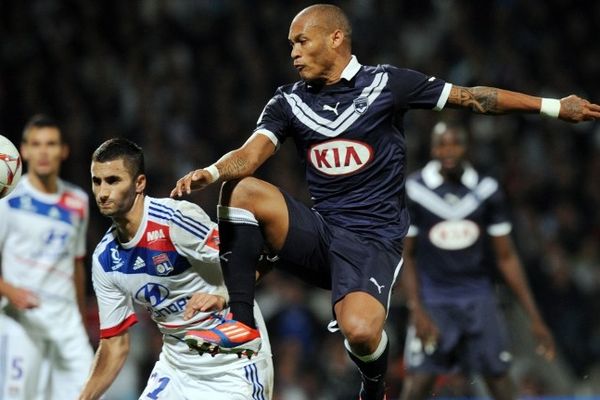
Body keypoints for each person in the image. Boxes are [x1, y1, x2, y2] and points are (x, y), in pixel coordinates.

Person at [170, 4, 600, 399]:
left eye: (302, 41)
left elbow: (473, 98)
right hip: (321, 231)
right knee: (240, 189)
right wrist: (209, 173)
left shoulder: (389, 85)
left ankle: (374, 382)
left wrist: (551, 106)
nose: (294, 53)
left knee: (359, 333)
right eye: (290, 45)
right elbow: (248, 155)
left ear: (336, 38)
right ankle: (241, 321)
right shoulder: (288, 101)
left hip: (374, 240)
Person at [80, 138, 273, 400]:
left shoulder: (175, 220)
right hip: (177, 370)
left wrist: (225, 296)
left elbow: (259, 255)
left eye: (113, 180)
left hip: (233, 366)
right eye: (97, 181)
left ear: (140, 183)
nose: (102, 192)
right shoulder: (105, 259)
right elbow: (114, 344)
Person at [399, 121, 556, 400]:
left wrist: (535, 317)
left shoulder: (487, 190)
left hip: (479, 297)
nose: (448, 150)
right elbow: (407, 255)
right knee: (418, 384)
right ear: (432, 148)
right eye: (441, 144)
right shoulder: (415, 190)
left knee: (499, 380)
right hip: (435, 300)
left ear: (467, 147)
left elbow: (506, 257)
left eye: (455, 143)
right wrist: (416, 310)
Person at [0, 114, 94, 400]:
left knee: (90, 393)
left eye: (51, 144)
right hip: (21, 321)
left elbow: (77, 264)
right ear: (23, 151)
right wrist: (10, 290)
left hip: (66, 324)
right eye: (36, 144)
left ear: (63, 150)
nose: (43, 151)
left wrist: (80, 316)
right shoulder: (8, 200)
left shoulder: (79, 201)